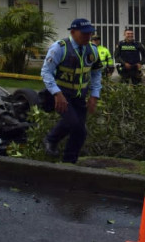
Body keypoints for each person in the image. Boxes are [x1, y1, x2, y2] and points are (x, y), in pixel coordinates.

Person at [41, 18, 103, 164]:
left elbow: (96, 73)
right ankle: (50, 139)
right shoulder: (59, 48)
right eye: (84, 34)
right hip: (61, 95)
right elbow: (46, 72)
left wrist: (94, 95)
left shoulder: (92, 49)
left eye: (90, 34)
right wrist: (57, 93)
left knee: (80, 132)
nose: (88, 37)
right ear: (73, 32)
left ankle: (69, 163)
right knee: (73, 123)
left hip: (79, 96)